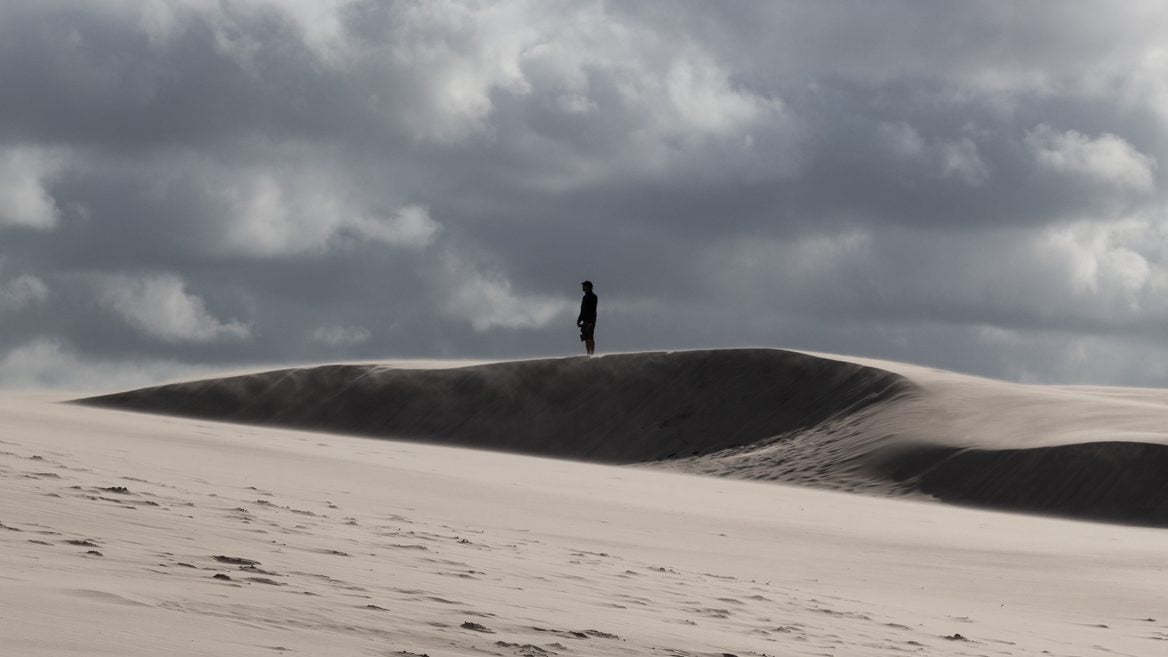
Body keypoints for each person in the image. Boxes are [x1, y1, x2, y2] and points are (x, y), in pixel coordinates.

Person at [577, 280, 598, 356]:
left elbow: (593, 310)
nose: (583, 287)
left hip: (590, 320)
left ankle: (592, 353)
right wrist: (579, 319)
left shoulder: (593, 297)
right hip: (585, 320)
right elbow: (582, 309)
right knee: (586, 338)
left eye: (584, 286)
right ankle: (588, 354)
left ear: (588, 287)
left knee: (590, 337)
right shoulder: (585, 297)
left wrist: (591, 322)